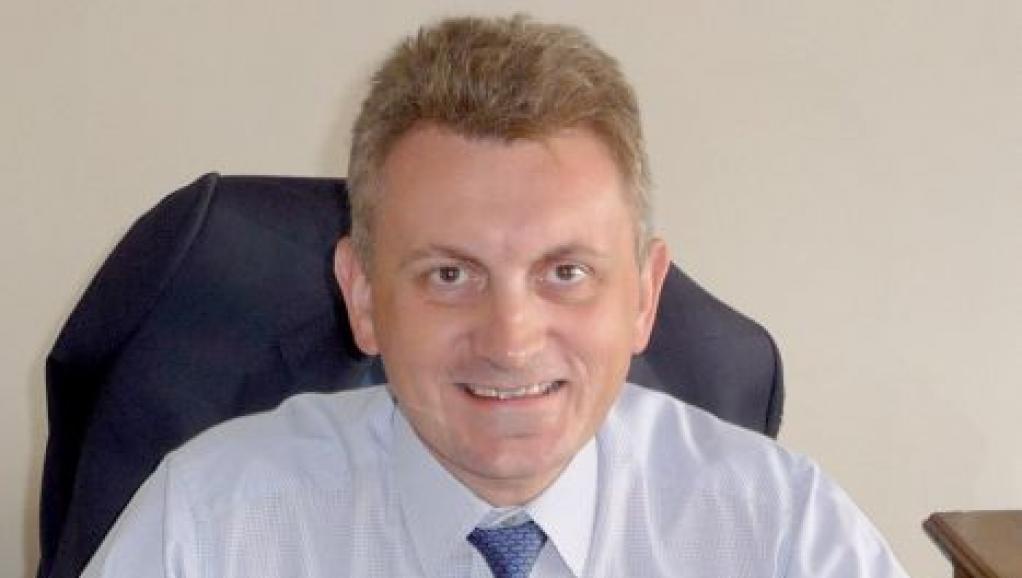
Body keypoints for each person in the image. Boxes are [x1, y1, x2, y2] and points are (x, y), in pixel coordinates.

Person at [83, 14, 907, 577]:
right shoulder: (213, 528)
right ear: (362, 296)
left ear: (644, 297)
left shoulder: (779, 532)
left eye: (566, 273)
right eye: (451, 275)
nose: (511, 341)